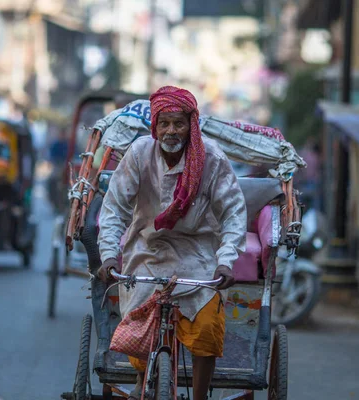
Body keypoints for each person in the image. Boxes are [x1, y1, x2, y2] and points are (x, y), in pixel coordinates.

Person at [96, 86, 247, 400]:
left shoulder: (212, 158)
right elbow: (114, 208)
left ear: (190, 125)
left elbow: (234, 212)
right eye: (164, 123)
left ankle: (201, 395)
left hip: (199, 252)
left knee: (207, 324)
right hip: (146, 248)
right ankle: (142, 377)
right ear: (155, 125)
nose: (171, 130)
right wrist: (110, 255)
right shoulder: (139, 153)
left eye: (178, 123)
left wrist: (226, 259)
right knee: (138, 315)